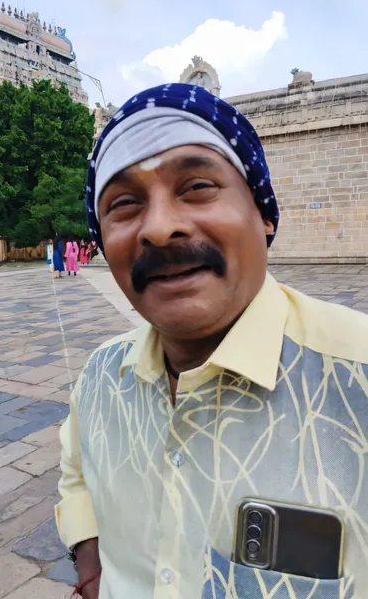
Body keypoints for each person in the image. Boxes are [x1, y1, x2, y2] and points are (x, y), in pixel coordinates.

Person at [56, 83, 368, 599]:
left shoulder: (356, 377)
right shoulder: (99, 378)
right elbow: (76, 471)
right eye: (125, 204)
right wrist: (91, 563)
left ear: (264, 212)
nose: (159, 228)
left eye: (197, 186)